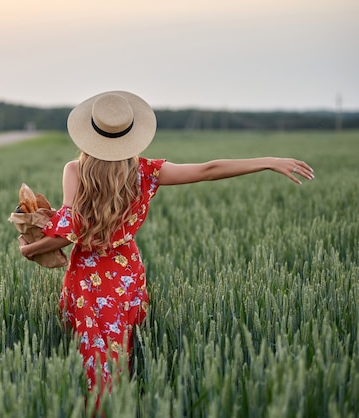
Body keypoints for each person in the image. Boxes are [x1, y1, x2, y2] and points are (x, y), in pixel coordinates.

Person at [18, 91, 314, 395]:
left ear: (90, 134)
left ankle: (91, 404)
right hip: (125, 275)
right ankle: (124, 402)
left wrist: (30, 249)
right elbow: (207, 170)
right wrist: (268, 161)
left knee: (90, 351)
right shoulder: (147, 172)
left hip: (86, 277)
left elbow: (69, 228)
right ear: (130, 135)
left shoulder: (75, 170)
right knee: (121, 349)